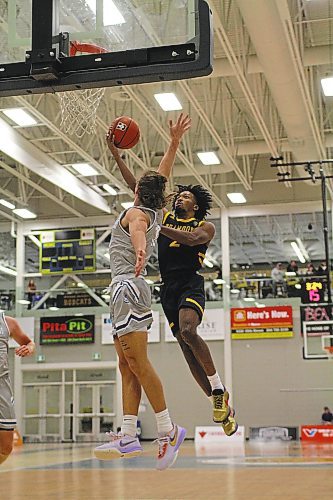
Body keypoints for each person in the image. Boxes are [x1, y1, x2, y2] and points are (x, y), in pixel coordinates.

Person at [109, 121, 237, 437]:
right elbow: (140, 190)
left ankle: (219, 388)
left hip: (191, 283)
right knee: (183, 343)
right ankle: (218, 402)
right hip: (167, 287)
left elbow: (192, 239)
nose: (181, 199)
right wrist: (168, 143)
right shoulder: (156, 215)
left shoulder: (205, 226)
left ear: (197, 205)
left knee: (190, 330)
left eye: (187, 197)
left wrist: (154, 226)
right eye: (178, 196)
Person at [94, 114, 191, 471]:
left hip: (127, 286)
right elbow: (157, 177)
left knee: (138, 362)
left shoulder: (138, 214)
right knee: (126, 363)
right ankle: (129, 434)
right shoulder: (152, 207)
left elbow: (136, 226)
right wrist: (172, 143)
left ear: (137, 192)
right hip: (127, 288)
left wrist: (138, 249)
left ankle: (168, 428)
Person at [0, 314, 35, 465]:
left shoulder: (7, 322)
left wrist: (28, 348)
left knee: (5, 447)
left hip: (2, 384)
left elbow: (29, 342)